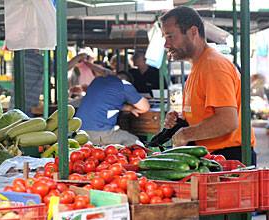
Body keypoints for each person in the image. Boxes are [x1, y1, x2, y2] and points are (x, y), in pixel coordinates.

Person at [160, 6, 256, 163]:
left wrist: (186, 134)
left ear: (193, 32)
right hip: (212, 156)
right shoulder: (200, 65)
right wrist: (181, 122)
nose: (166, 44)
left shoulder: (213, 66)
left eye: (170, 37)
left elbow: (227, 121)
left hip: (228, 158)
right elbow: (208, 115)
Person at [76, 70, 150, 146]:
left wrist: (131, 108)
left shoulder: (97, 80)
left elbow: (106, 102)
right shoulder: (124, 85)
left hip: (79, 132)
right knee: (136, 142)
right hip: (99, 133)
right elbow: (145, 107)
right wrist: (135, 107)